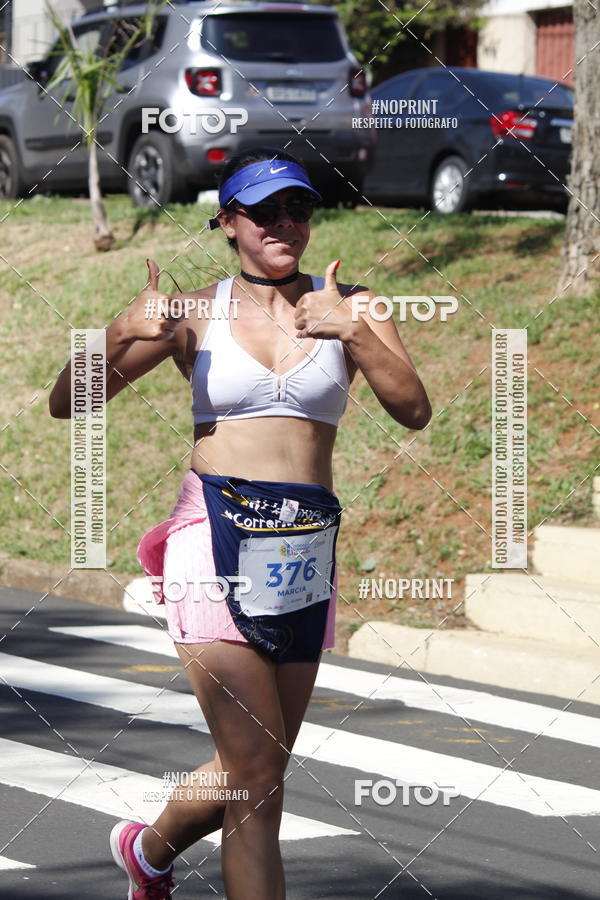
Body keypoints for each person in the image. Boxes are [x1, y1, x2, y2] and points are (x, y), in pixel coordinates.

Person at [49, 146, 431, 900]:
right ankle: (156, 856)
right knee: (257, 773)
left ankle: (149, 851)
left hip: (303, 544)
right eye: (264, 213)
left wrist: (351, 333)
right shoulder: (191, 312)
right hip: (213, 531)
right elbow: (71, 399)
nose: (285, 224)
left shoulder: (355, 305)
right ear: (229, 224)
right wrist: (119, 330)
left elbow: (413, 409)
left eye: (299, 210)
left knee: (258, 765)